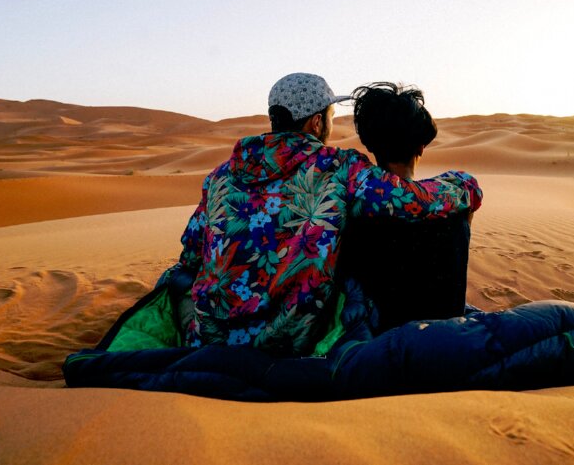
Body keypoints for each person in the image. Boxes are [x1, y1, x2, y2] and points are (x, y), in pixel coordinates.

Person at [173, 73, 482, 357]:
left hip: (207, 338)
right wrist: (465, 185)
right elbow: (411, 199)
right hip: (286, 341)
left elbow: (191, 252)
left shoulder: (220, 176)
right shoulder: (338, 168)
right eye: (332, 117)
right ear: (317, 123)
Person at [335, 82, 471, 332]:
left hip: (378, 347)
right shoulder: (458, 203)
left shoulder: (352, 215)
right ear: (421, 145)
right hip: (449, 340)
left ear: (370, 145)